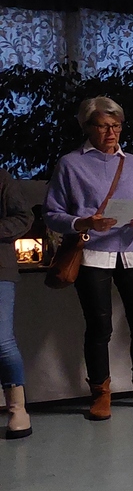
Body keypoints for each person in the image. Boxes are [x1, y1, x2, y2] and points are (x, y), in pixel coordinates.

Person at [45, 96, 133, 420]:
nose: (111, 132)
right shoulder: (70, 164)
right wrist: (84, 222)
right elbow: (52, 213)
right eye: (102, 126)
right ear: (87, 127)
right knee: (99, 326)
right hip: (92, 253)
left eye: (116, 126)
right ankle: (101, 393)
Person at [0, 169, 36, 438]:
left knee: (2, 340)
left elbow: (24, 217)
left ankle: (17, 410)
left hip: (0, 270)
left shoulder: (2, 178)